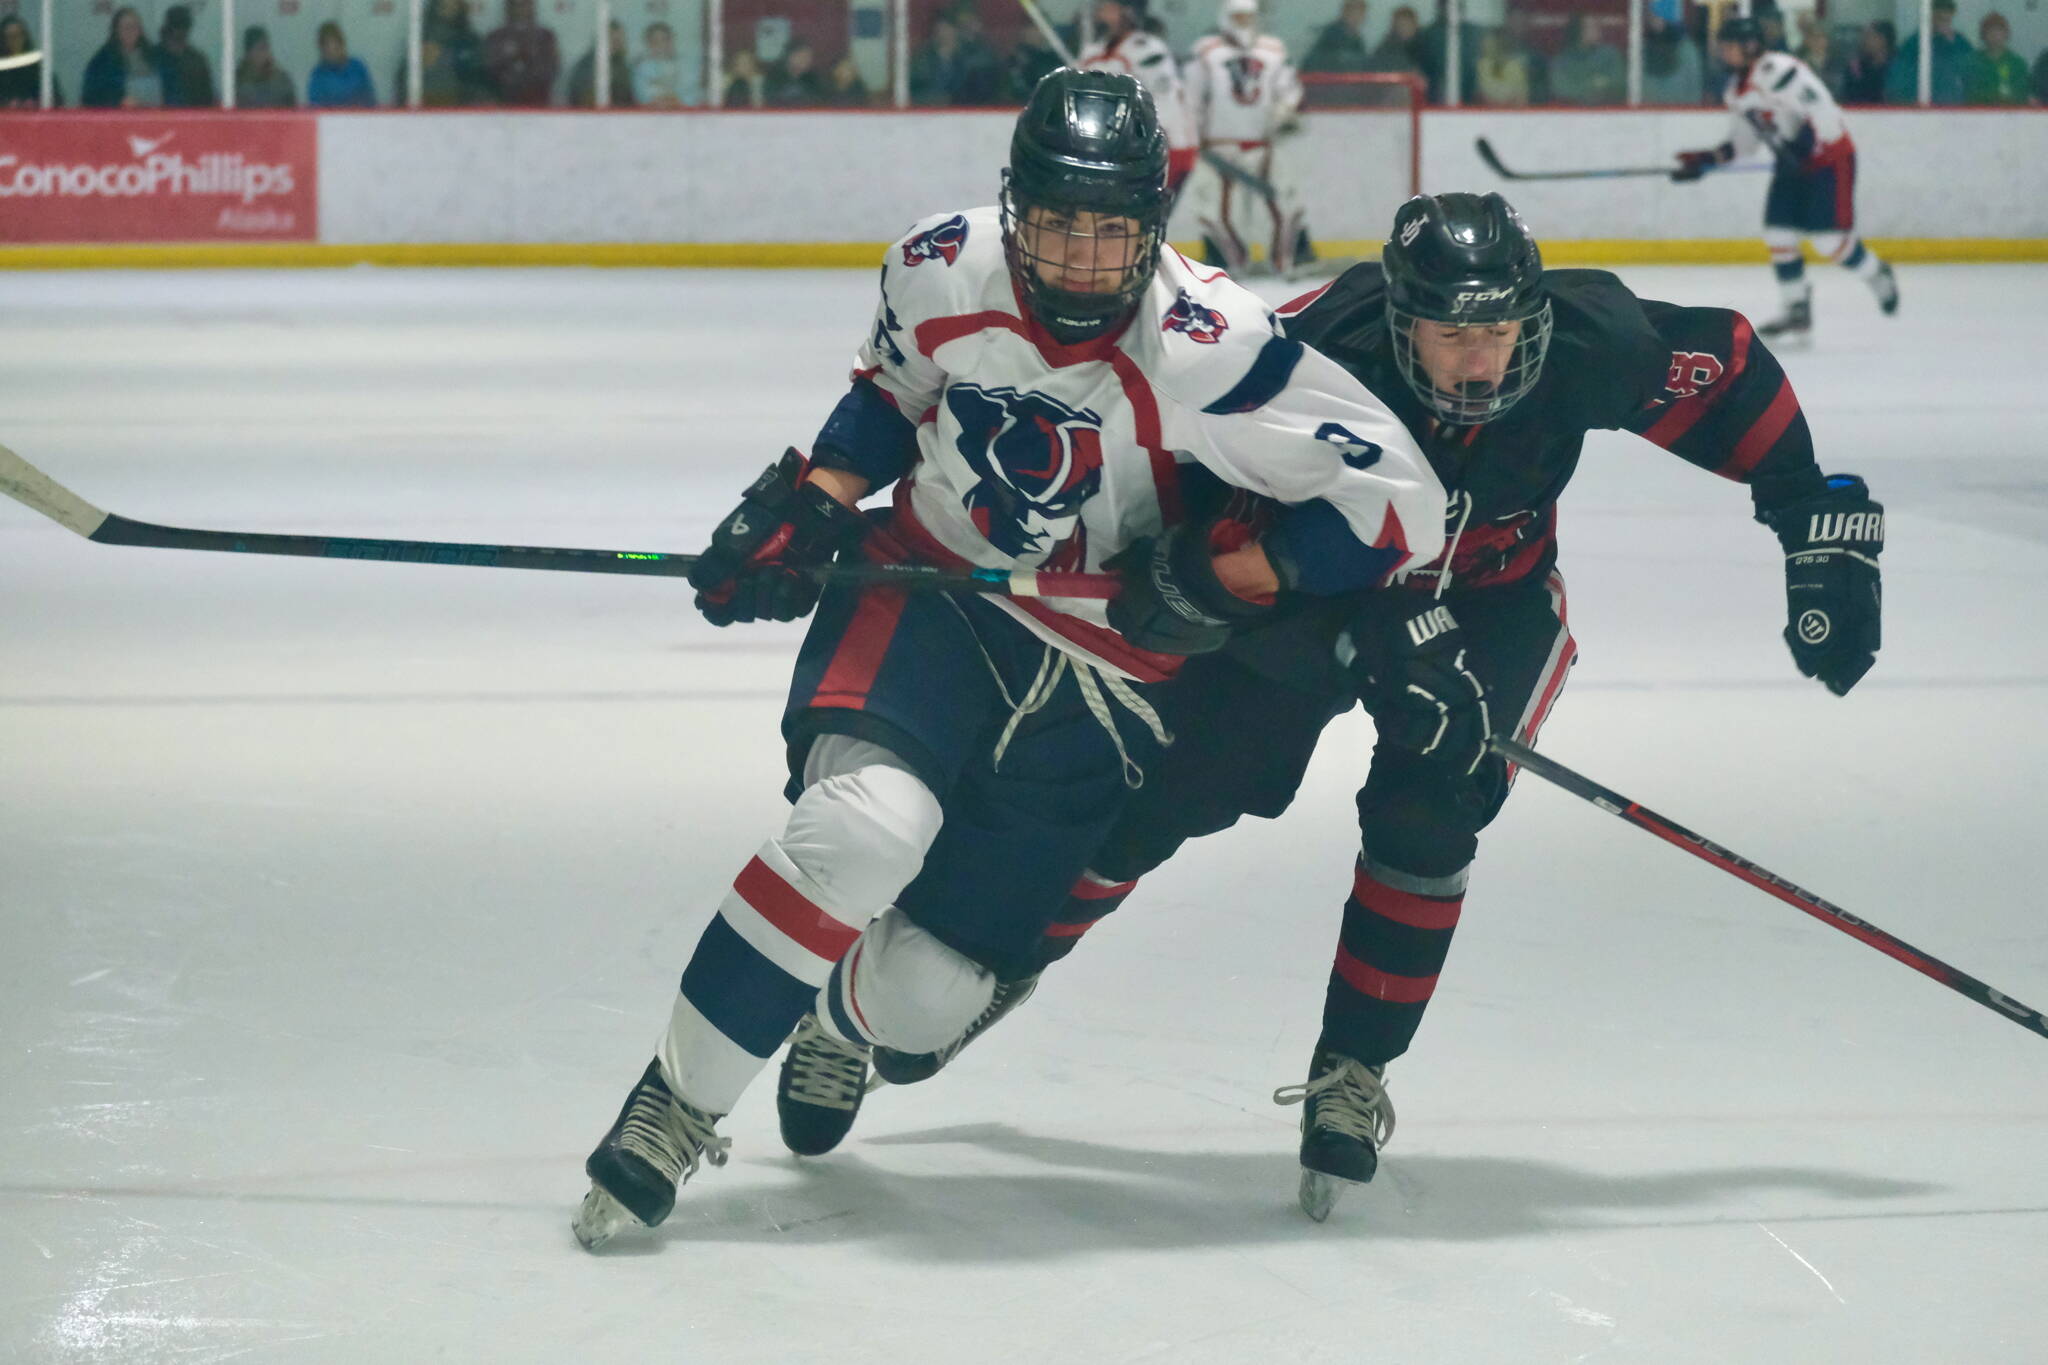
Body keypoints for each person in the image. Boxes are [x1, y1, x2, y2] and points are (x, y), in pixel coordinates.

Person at [773, 191, 1887, 1222]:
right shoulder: (1308, 348)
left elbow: (1731, 367)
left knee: (1431, 807)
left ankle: (1354, 1070)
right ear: (1399, 322)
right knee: (1162, 797)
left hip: (1489, 600)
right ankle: (982, 968)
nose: (1474, 360)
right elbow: (1208, 517)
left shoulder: (1592, 340)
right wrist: (1331, 615)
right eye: (1448, 335)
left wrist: (1807, 507)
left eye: (1495, 333)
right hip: (1310, 590)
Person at [569, 68, 1452, 1251]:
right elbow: (890, 392)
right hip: (932, 595)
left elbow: (1400, 507)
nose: (1083, 263)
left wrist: (1232, 577)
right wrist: (813, 505)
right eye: (1055, 228)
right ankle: (669, 1108)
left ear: (1153, 228)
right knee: (864, 827)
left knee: (926, 1009)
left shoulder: (1213, 345)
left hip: (1104, 679)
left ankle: (838, 1019)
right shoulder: (937, 263)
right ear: (1010, 208)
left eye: (1111, 235)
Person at [1671, 15, 1898, 340]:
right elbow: (1744, 144)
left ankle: (1877, 273)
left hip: (1829, 159)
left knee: (1828, 240)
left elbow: (1822, 113)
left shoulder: (1779, 70)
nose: (1723, 52)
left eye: (1728, 46)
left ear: (1749, 46)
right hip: (1791, 164)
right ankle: (1796, 309)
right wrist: (1707, 161)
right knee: (1778, 232)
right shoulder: (1736, 91)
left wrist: (1806, 147)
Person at [1184, 0, 1314, 276]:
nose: (1243, 23)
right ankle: (1229, 267)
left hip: (1262, 144)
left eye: (1248, 17)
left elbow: (1289, 90)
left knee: (1283, 205)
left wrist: (1285, 110)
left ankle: (1285, 262)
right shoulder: (1206, 52)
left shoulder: (1273, 50)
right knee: (1218, 214)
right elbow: (1192, 97)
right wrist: (1193, 133)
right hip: (1218, 147)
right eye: (1238, 17)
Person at [1078, 1, 1199, 192]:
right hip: (1113, 151)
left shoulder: (1147, 49)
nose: (1100, 14)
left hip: (1163, 150)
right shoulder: (1092, 53)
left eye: (1108, 9)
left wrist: (1151, 148)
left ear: (1129, 12)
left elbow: (1165, 101)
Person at [404, 0, 489, 108]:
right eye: (444, 6)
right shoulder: (421, 38)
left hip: (463, 104)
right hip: (427, 102)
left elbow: (479, 75)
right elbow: (407, 73)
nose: (449, 9)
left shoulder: (470, 39)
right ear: (436, 7)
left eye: (453, 6)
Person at [1886, 0, 1970, 105]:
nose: (1942, 23)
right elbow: (1900, 75)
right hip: (1919, 103)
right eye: (1939, 18)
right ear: (1931, 16)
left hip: (1951, 105)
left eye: (1946, 19)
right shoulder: (1914, 43)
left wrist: (1951, 43)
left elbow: (1969, 70)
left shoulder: (1960, 42)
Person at [81, 7, 167, 109]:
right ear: (116, 30)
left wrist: (165, 101)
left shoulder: (155, 55)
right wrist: (118, 101)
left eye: (134, 27)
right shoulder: (102, 61)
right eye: (126, 27)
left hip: (155, 117)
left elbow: (173, 88)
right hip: (119, 120)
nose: (130, 31)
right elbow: (90, 98)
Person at [484, 0, 559, 107]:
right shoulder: (495, 37)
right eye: (516, 4)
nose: (521, 8)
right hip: (502, 103)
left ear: (532, 6)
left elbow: (551, 69)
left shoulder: (545, 37)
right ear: (508, 6)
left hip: (538, 104)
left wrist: (529, 66)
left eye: (525, 3)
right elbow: (489, 70)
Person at [1548, 14, 1625, 105]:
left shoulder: (1611, 55)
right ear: (1578, 31)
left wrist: (1580, 86)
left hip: (1608, 112)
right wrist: (1594, 84)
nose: (1597, 29)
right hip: (1571, 114)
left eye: (1597, 25)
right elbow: (1561, 89)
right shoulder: (1561, 61)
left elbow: (1618, 83)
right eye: (1591, 27)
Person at [1964, 13, 2030, 104]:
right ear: (1983, 35)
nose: (1995, 35)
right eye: (1990, 31)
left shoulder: (2018, 64)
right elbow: (1969, 93)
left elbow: (2023, 94)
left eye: (1999, 31)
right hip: (1980, 115)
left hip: (2011, 115)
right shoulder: (1972, 62)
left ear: (2006, 34)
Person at [1640, 11, 1704, 105]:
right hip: (1646, 113)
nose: (1657, 22)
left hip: (1682, 113)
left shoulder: (1687, 49)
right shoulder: (1640, 49)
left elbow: (1694, 89)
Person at [307, 21, 376, 107]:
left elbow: (371, 100)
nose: (332, 51)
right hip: (330, 119)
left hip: (360, 118)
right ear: (322, 49)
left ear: (342, 44)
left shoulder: (358, 67)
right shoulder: (318, 75)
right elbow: (315, 107)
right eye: (327, 47)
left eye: (336, 46)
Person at [158, 5, 215, 107]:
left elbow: (208, 98)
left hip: (193, 117)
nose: (180, 31)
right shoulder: (154, 56)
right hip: (160, 117)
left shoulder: (197, 60)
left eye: (183, 26)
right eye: (177, 26)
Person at [568, 19, 634, 107]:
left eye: (619, 39)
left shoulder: (621, 64)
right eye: (613, 39)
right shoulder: (587, 64)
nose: (617, 43)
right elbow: (579, 96)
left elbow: (628, 96)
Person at [633, 22, 699, 108]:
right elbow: (643, 96)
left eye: (664, 39)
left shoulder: (686, 64)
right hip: (651, 115)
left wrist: (674, 101)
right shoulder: (642, 67)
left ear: (672, 40)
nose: (661, 45)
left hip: (684, 114)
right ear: (648, 44)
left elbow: (692, 95)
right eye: (655, 41)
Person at [0, 15, 60, 108]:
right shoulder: (2, 67)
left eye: (19, 35)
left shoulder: (38, 68)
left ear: (25, 36)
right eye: (10, 37)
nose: (15, 40)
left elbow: (56, 99)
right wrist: (6, 104)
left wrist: (35, 103)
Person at [1302, 0, 1371, 76]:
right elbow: (1317, 62)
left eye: (1361, 14)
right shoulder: (1331, 34)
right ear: (1345, 13)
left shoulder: (1357, 40)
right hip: (1324, 81)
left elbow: (1363, 65)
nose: (1358, 18)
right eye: (1354, 13)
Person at [234, 27, 295, 108]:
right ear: (248, 53)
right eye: (260, 48)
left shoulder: (281, 80)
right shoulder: (237, 81)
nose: (265, 53)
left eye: (266, 48)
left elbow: (292, 111)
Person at [1473, 27, 1531, 106]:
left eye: (1492, 44)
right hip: (1486, 114)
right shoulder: (1483, 66)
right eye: (1485, 45)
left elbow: (1521, 96)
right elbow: (1486, 93)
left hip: (1514, 114)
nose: (1487, 48)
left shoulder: (1515, 67)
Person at [1839, 20, 1894, 104]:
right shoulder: (1856, 69)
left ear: (1882, 39)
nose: (1863, 41)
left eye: (1868, 36)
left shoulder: (1897, 68)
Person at [765, 37, 827, 106]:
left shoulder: (814, 79)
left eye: (808, 56)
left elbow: (821, 101)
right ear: (789, 56)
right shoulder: (774, 77)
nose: (805, 60)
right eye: (800, 55)